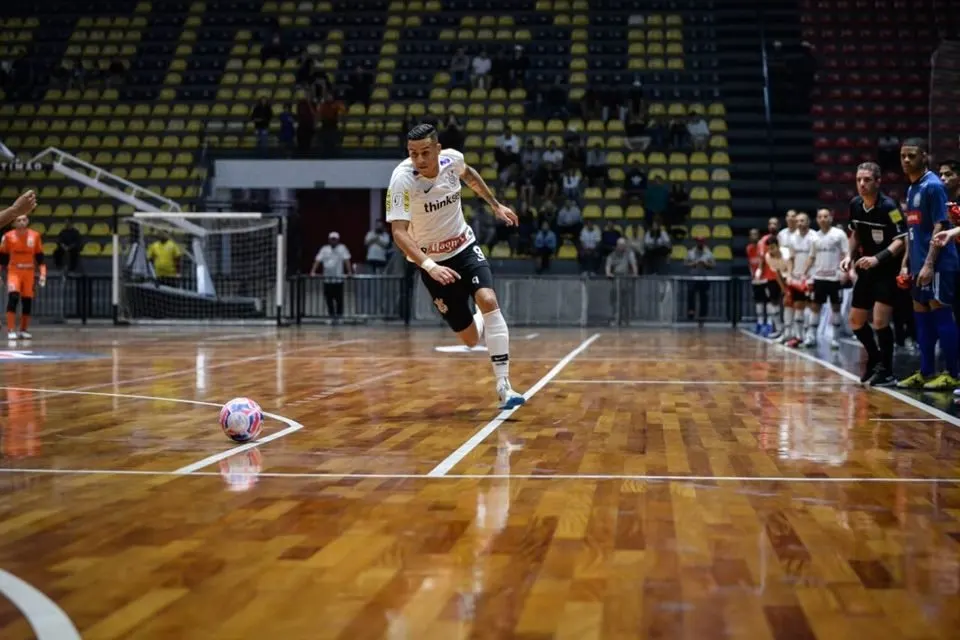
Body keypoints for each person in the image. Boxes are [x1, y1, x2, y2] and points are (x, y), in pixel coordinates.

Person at [386, 123, 524, 409]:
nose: (420, 160)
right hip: (431, 263)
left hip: (463, 247)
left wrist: (496, 205)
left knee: (488, 299)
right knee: (471, 339)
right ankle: (478, 318)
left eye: (426, 152)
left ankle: (504, 385)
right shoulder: (401, 180)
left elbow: (470, 175)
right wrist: (429, 266)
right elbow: (399, 232)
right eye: (413, 154)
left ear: (438, 149)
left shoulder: (452, 159)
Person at [896, 139, 959, 390]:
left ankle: (953, 373)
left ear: (925, 157)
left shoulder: (933, 186)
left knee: (940, 312)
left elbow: (940, 224)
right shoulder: (912, 188)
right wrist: (906, 264)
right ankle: (926, 371)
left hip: (939, 263)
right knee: (920, 315)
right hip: (918, 265)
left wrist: (929, 263)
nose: (906, 160)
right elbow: (912, 231)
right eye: (903, 156)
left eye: (911, 156)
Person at [841, 162, 906, 385]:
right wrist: (849, 256)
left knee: (879, 321)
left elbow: (901, 241)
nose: (862, 184)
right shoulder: (855, 204)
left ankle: (887, 370)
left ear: (878, 181)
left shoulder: (891, 207)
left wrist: (877, 258)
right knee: (856, 321)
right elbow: (855, 235)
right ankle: (875, 358)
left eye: (867, 180)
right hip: (865, 269)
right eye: (859, 180)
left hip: (887, 270)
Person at [802, 208, 848, 349]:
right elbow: (811, 257)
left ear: (831, 218)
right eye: (820, 216)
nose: (823, 219)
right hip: (819, 278)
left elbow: (846, 254)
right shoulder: (814, 237)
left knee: (836, 308)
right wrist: (804, 273)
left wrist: (845, 272)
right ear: (817, 219)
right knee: (815, 307)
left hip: (835, 278)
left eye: (825, 216)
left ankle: (835, 338)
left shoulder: (839, 234)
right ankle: (812, 337)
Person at [0, 214, 46, 340]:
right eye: (18, 220)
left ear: (28, 221)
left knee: (27, 302)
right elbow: (2, 258)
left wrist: (43, 273)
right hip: (14, 271)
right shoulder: (8, 237)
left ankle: (24, 330)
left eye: (24, 219)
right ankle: (10, 330)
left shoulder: (35, 236)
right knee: (13, 297)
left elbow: (40, 257)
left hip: (29, 272)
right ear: (14, 223)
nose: (21, 222)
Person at [784, 212, 814, 347]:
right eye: (798, 221)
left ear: (808, 222)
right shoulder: (792, 238)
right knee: (798, 306)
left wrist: (806, 274)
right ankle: (798, 336)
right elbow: (791, 258)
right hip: (796, 277)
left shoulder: (814, 237)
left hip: (811, 277)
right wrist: (789, 274)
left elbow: (813, 258)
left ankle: (810, 336)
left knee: (810, 306)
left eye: (802, 221)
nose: (800, 223)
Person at [310, 231, 352, 321]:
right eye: (332, 239)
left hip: (338, 279)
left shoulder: (342, 248)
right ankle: (331, 316)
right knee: (329, 299)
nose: (333, 241)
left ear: (338, 240)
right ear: (329, 240)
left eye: (335, 239)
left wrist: (349, 271)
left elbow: (346, 260)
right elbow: (318, 260)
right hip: (327, 280)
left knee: (339, 300)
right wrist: (313, 271)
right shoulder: (324, 249)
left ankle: (340, 317)